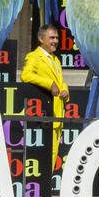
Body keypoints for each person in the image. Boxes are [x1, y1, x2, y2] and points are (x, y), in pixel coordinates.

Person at [20, 25, 67, 170]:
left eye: (57, 38)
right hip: (44, 115)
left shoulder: (55, 60)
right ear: (41, 39)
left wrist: (65, 90)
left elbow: (61, 82)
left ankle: (48, 183)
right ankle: (44, 184)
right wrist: (49, 84)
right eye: (52, 38)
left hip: (57, 115)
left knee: (53, 155)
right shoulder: (33, 57)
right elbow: (25, 75)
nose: (55, 41)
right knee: (44, 158)